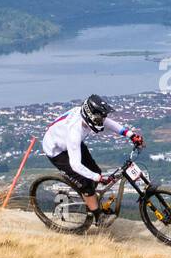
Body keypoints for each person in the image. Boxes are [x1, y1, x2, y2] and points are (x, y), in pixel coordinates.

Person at [42, 95, 144, 223]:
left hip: (69, 143)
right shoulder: (75, 132)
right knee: (86, 182)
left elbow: (109, 123)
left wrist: (131, 135)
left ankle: (89, 198)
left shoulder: (89, 116)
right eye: (99, 119)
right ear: (89, 116)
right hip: (56, 150)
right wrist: (97, 178)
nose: (101, 121)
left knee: (96, 170)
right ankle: (97, 216)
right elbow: (75, 165)